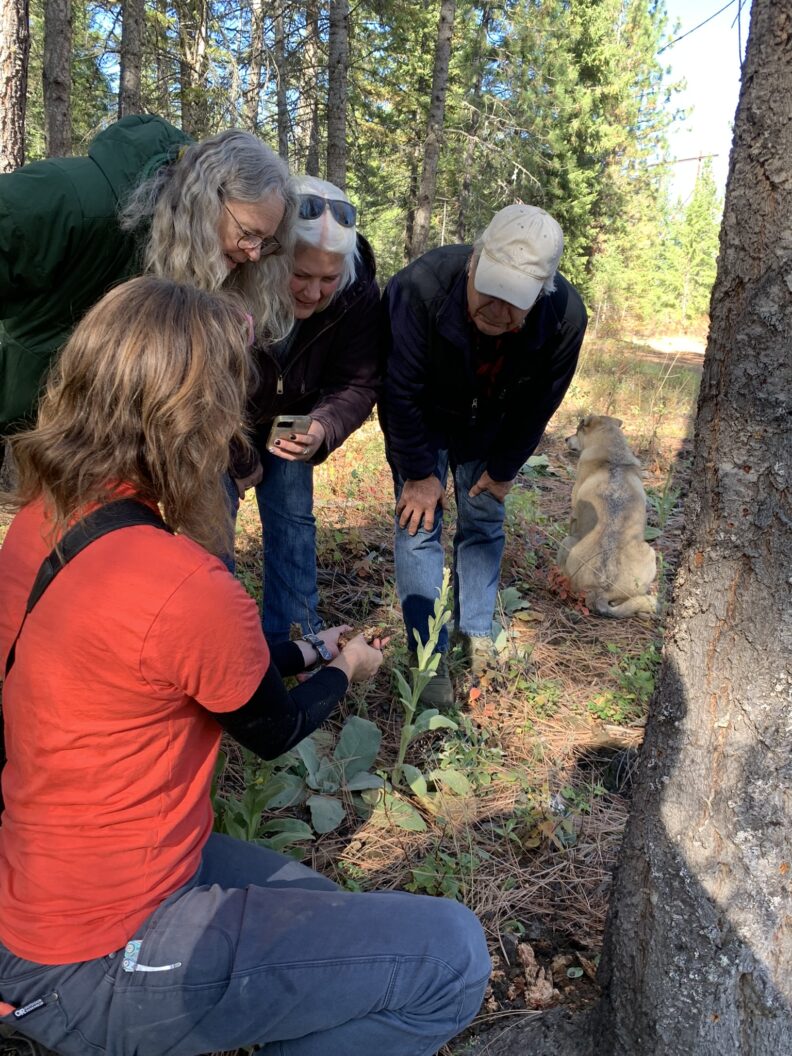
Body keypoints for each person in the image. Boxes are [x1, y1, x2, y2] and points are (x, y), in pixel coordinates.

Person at [0, 276, 490, 1056]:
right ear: (199, 420)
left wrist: (305, 649)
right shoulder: (185, 581)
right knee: (452, 958)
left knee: (323, 907)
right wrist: (345, 670)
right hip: (90, 953)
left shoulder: (40, 521)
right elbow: (268, 726)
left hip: (40, 881)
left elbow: (178, 665)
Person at [379, 204, 588, 706]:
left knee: (484, 521)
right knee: (418, 525)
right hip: (424, 421)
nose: (496, 308)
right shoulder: (418, 288)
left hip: (492, 426)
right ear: (473, 262)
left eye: (514, 301)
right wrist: (418, 472)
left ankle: (475, 635)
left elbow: (541, 403)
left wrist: (503, 469)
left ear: (543, 291)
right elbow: (398, 390)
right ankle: (427, 659)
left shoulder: (564, 318)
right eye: (488, 290)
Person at [0, 113, 294, 441]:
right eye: (248, 233)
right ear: (207, 200)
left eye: (265, 242)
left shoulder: (188, 261)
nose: (254, 253)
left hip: (59, 438)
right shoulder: (72, 200)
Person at [230, 175, 381, 643]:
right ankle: (216, 644)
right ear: (273, 260)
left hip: (292, 421)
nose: (313, 293)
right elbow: (200, 385)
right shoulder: (232, 280)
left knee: (294, 523)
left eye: (328, 280)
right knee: (210, 527)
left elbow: (357, 382)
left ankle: (297, 639)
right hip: (222, 424)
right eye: (301, 275)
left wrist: (323, 426)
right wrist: (236, 456)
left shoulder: (358, 297)